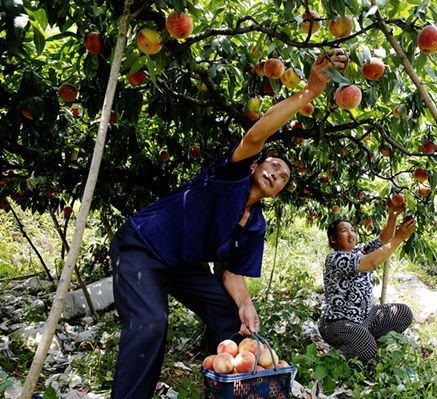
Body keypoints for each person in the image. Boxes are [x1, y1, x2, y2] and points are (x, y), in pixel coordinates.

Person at [109, 48, 348, 399]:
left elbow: (232, 274)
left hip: (182, 264)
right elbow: (256, 136)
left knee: (229, 312)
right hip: (143, 246)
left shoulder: (255, 226)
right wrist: (308, 93)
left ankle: (231, 384)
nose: (276, 172)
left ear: (278, 193)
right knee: (150, 325)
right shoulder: (230, 176)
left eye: (283, 177)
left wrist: (246, 306)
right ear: (254, 166)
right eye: (273, 165)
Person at [318, 204, 416, 363]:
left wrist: (393, 215)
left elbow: (383, 241)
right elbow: (371, 262)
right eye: (344, 230)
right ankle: (339, 360)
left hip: (364, 319)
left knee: (403, 312)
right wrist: (399, 238)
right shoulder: (335, 258)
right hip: (337, 323)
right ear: (333, 239)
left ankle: (366, 350)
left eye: (352, 230)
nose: (351, 234)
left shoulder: (358, 252)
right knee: (365, 346)